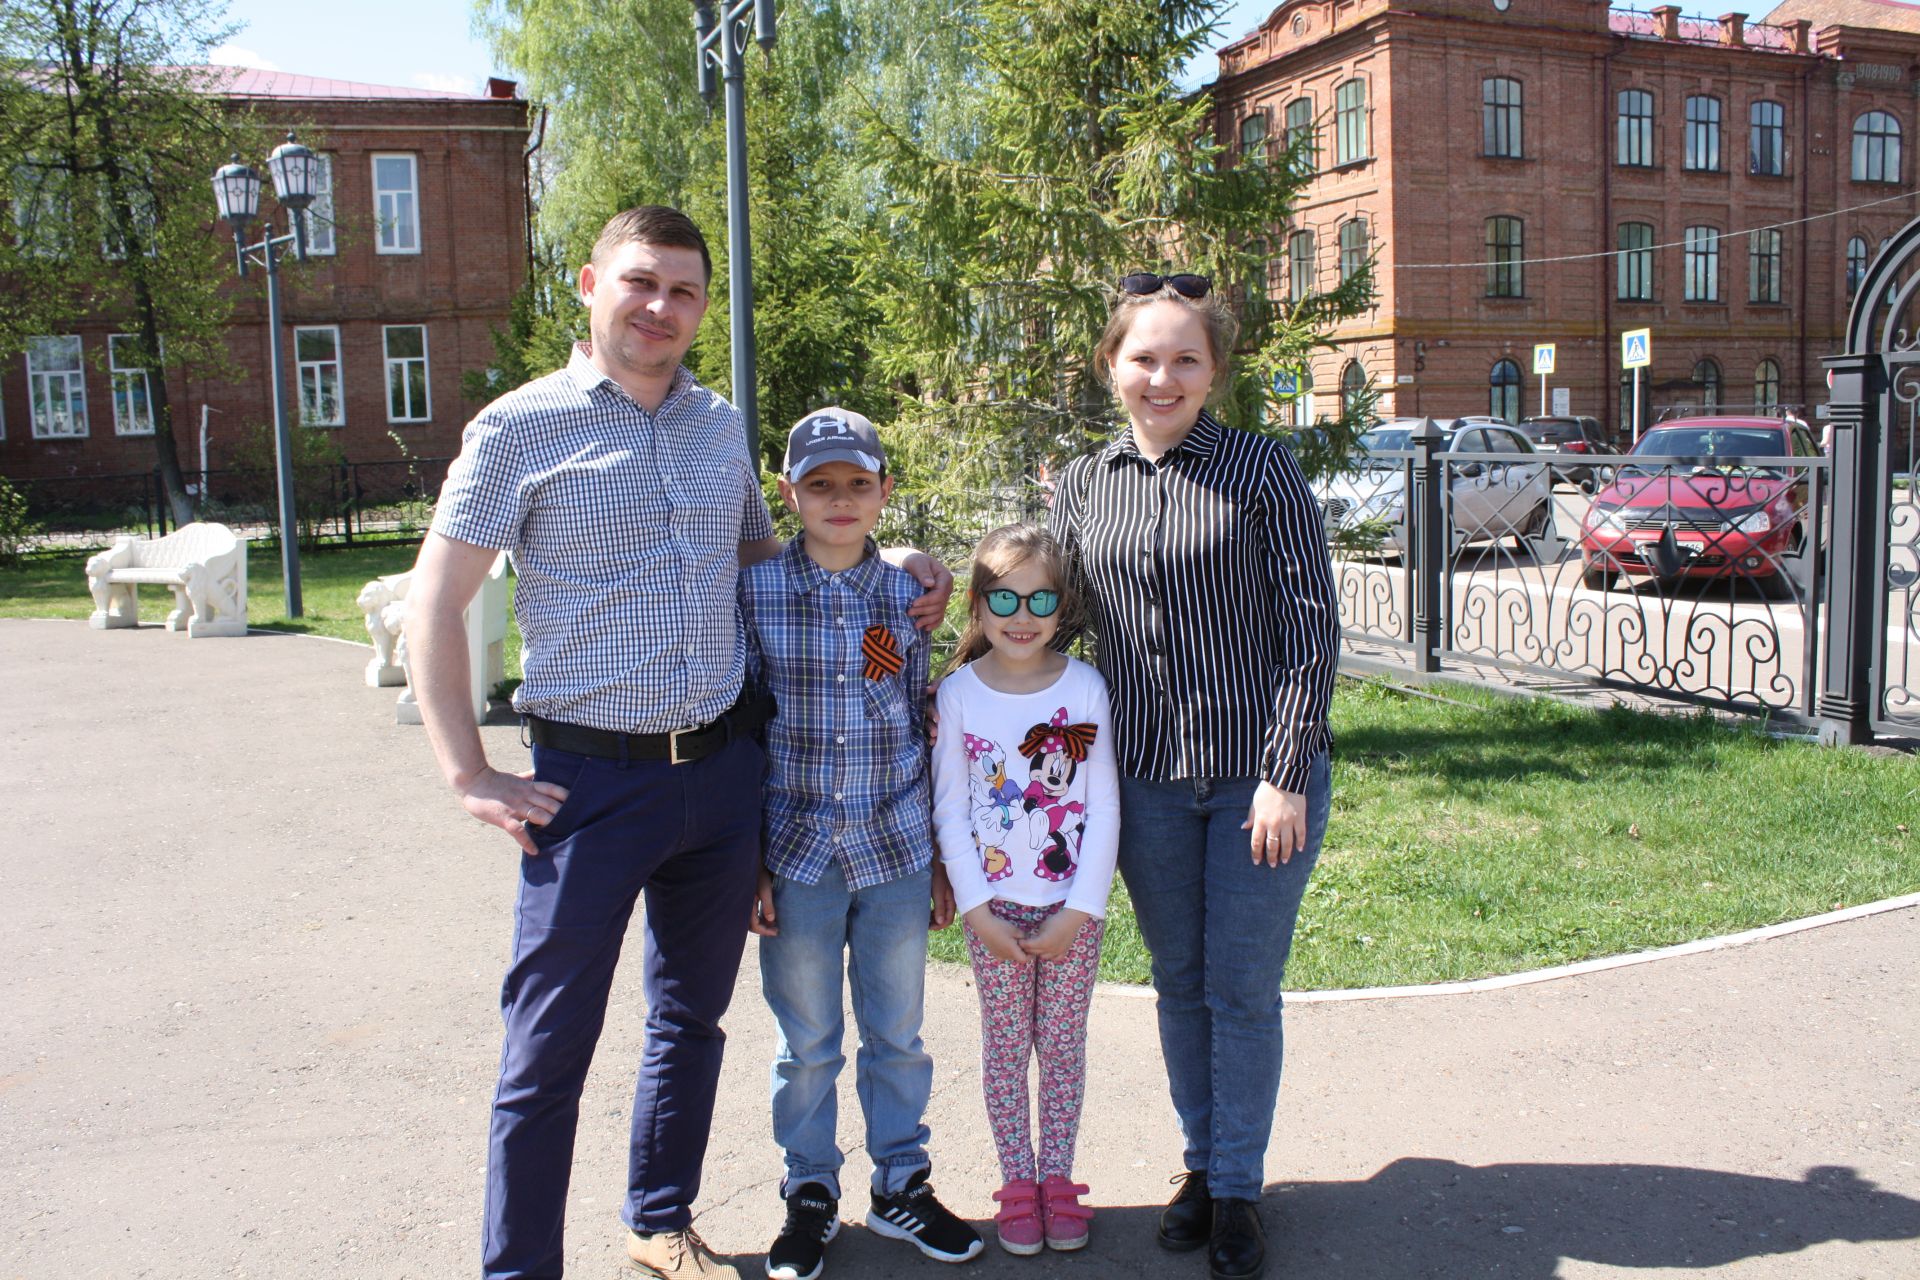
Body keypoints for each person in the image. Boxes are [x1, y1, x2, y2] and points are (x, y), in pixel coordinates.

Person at [405, 206, 949, 1280]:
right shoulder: (520, 427)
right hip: (586, 781)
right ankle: (520, 1266)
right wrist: (466, 767)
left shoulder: (714, 426)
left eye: (685, 290)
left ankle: (660, 1219)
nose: (662, 307)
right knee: (548, 1043)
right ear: (589, 282)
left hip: (724, 775)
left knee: (690, 1019)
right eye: (641, 282)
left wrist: (904, 557)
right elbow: (437, 595)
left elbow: (774, 556)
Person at [1046, 271, 1339, 1280]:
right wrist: (922, 580)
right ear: (1110, 367)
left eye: (1183, 358)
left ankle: (1240, 1187)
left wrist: (1286, 770)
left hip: (1259, 780)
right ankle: (1203, 1166)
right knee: (1179, 984)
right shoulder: (1082, 484)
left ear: (1213, 370)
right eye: (1143, 357)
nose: (1161, 375)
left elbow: (1310, 631)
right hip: (1145, 784)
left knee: (1243, 989)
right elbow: (1049, 611)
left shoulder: (1263, 469)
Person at [742, 408, 983, 1280]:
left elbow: (926, 722)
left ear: (885, 491)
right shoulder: (758, 592)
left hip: (894, 852)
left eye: (858, 484)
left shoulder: (910, 598)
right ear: (789, 494)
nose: (839, 501)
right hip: (797, 853)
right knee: (805, 1042)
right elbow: (743, 730)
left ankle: (901, 1186)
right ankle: (810, 1192)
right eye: (819, 485)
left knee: (899, 1034)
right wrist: (748, 864)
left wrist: (948, 859)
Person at [928, 524, 1119, 1258]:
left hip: (1072, 908)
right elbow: (949, 806)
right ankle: (1017, 1187)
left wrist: (1082, 909)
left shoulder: (1085, 687)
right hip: (995, 911)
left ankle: (1058, 1183)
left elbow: (1102, 805)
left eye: (1040, 597)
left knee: (1062, 1049)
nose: (1021, 613)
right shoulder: (959, 694)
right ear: (977, 606)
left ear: (1061, 606)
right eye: (1003, 596)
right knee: (1007, 1050)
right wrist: (977, 908)